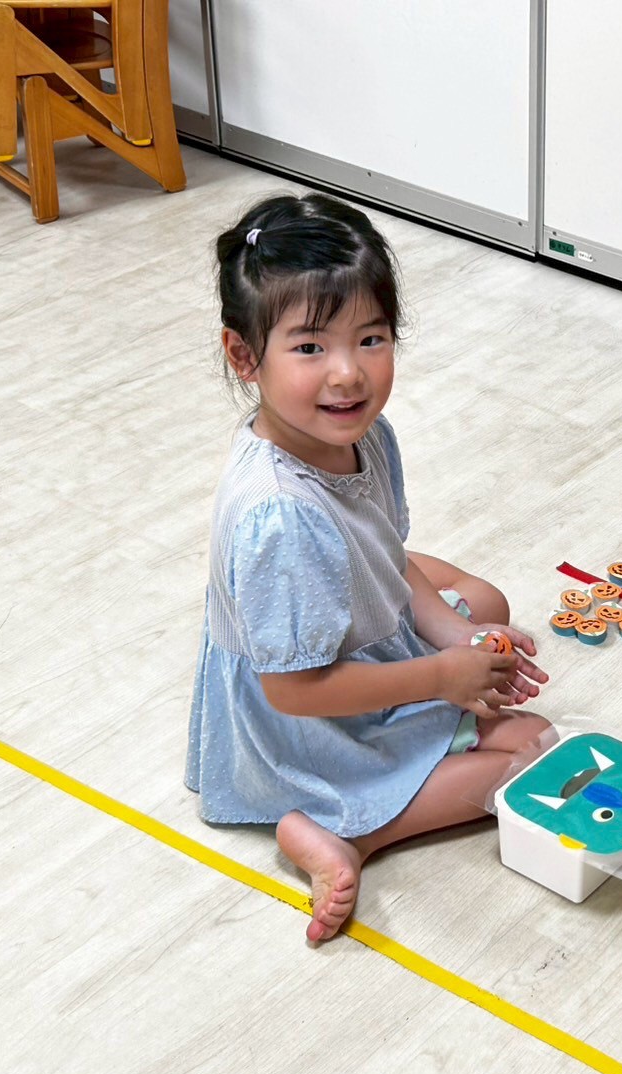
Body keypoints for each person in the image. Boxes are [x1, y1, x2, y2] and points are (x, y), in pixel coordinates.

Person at [187, 193, 551, 942]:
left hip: (351, 654)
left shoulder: (363, 434)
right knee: (528, 752)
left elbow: (386, 552)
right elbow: (291, 690)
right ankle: (346, 831)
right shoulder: (280, 514)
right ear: (245, 357)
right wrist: (441, 676)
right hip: (307, 717)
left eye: (372, 338)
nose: (349, 373)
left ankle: (415, 731)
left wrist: (453, 637)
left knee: (482, 606)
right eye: (310, 347)